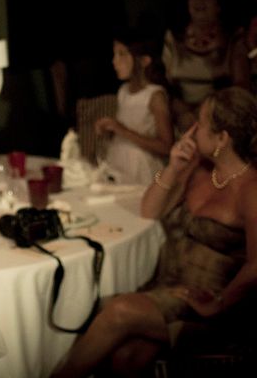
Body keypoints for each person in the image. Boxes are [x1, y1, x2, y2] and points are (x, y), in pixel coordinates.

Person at [51, 86, 257, 377]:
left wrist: (218, 304)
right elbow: (150, 211)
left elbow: (256, 265)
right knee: (126, 357)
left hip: (213, 305)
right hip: (167, 288)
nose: (192, 129)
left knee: (117, 311)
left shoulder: (251, 189)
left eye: (201, 123)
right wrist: (173, 166)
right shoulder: (198, 169)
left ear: (222, 138)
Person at [161, 0, 250, 133]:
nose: (199, 2)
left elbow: (241, 87)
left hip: (219, 121)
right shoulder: (174, 38)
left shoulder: (233, 38)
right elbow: (164, 84)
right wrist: (182, 112)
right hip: (180, 120)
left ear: (219, 4)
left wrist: (202, 113)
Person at [94, 34, 173, 185]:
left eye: (122, 54)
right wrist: (109, 129)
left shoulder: (155, 95)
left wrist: (122, 130)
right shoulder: (123, 91)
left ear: (144, 61)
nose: (114, 61)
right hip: (118, 159)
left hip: (140, 166)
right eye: (114, 54)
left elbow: (166, 146)